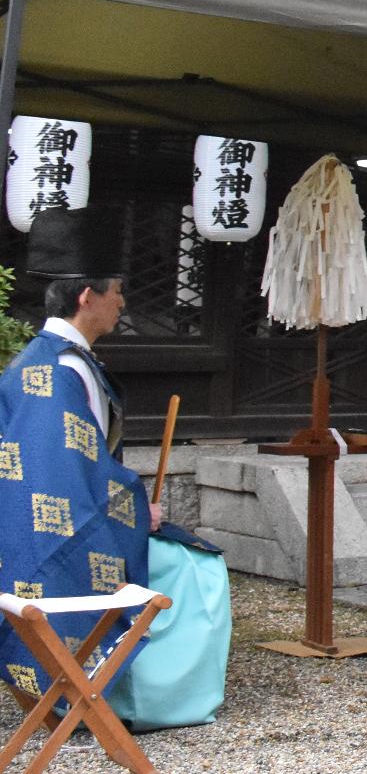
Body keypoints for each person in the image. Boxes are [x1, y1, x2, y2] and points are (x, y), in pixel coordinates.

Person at [0, 209, 232, 728]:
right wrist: (136, 511)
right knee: (198, 568)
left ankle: (104, 690)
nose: (123, 301)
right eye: (118, 290)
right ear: (89, 297)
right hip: (56, 550)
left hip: (18, 543)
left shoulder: (33, 360)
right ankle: (144, 700)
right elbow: (64, 484)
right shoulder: (64, 370)